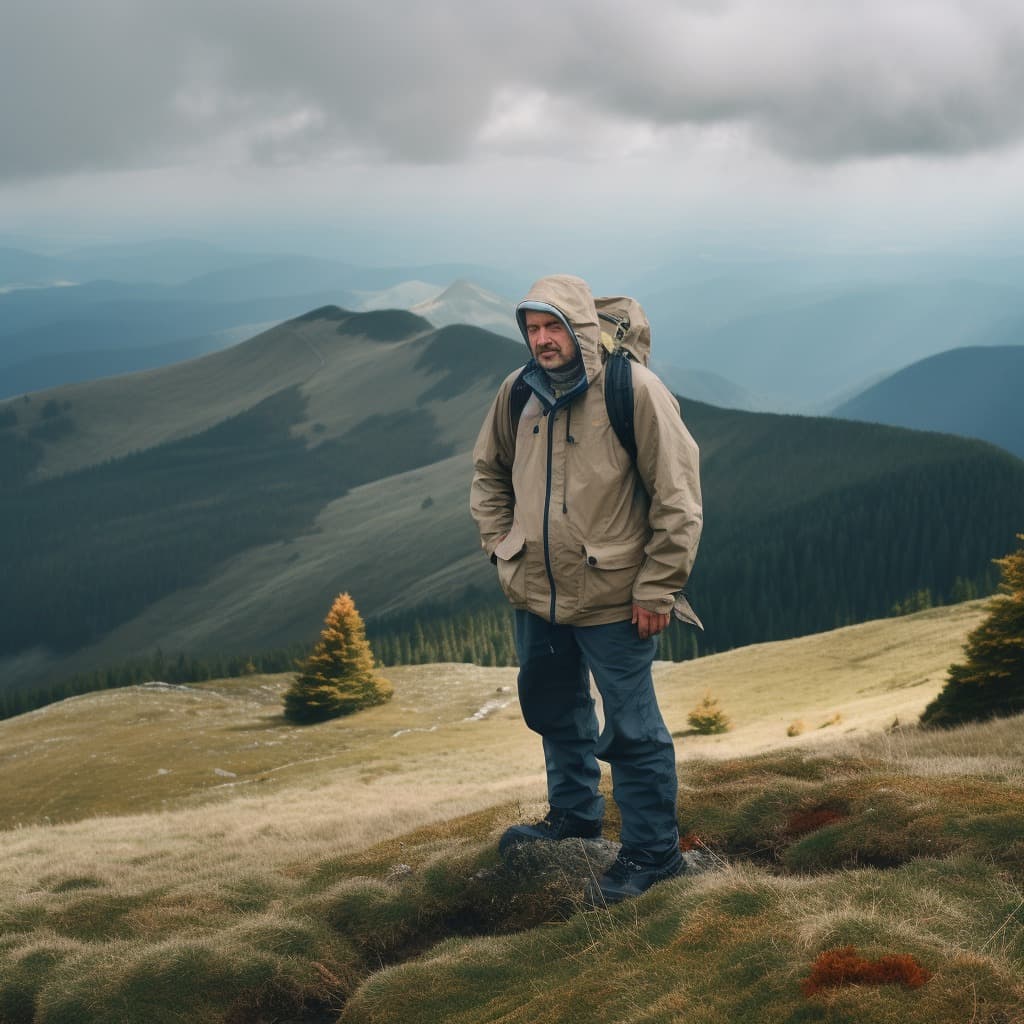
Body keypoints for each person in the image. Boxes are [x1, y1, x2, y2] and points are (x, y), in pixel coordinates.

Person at [470, 273, 703, 904]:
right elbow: (488, 474)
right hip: (536, 594)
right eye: (533, 329)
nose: (543, 341)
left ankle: (654, 854)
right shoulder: (517, 392)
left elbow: (678, 501)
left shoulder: (634, 391)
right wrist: (501, 545)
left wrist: (658, 589)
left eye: (554, 328)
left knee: (632, 729)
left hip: (615, 598)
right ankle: (573, 818)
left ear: (581, 329)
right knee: (554, 708)